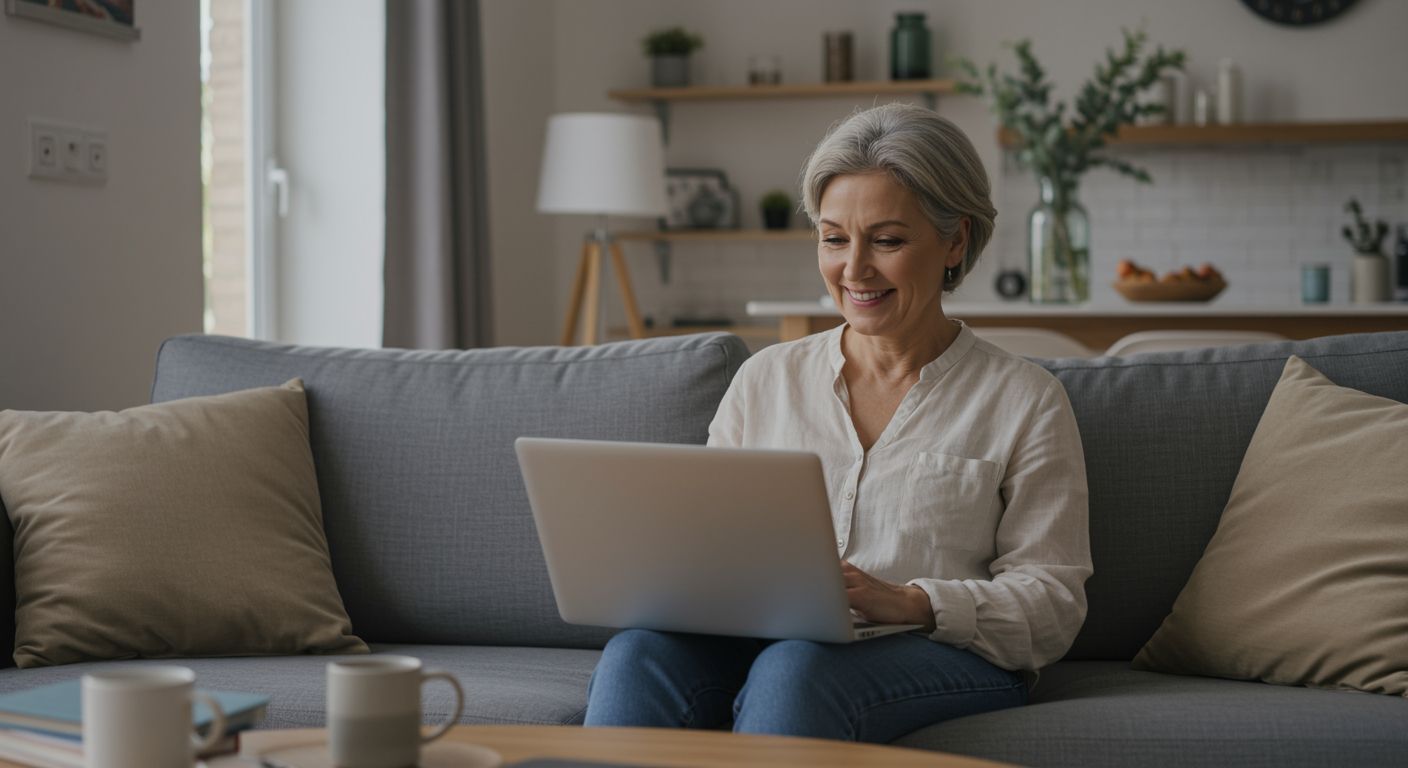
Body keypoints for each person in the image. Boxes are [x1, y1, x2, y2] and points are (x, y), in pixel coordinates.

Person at [584, 103, 1092, 743]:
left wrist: (914, 602)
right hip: (772, 642)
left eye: (887, 240)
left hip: (944, 653)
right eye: (833, 238)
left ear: (955, 241)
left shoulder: (1025, 399)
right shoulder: (766, 380)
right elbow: (708, 551)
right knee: (638, 653)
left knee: (795, 670)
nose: (854, 270)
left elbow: (1053, 605)